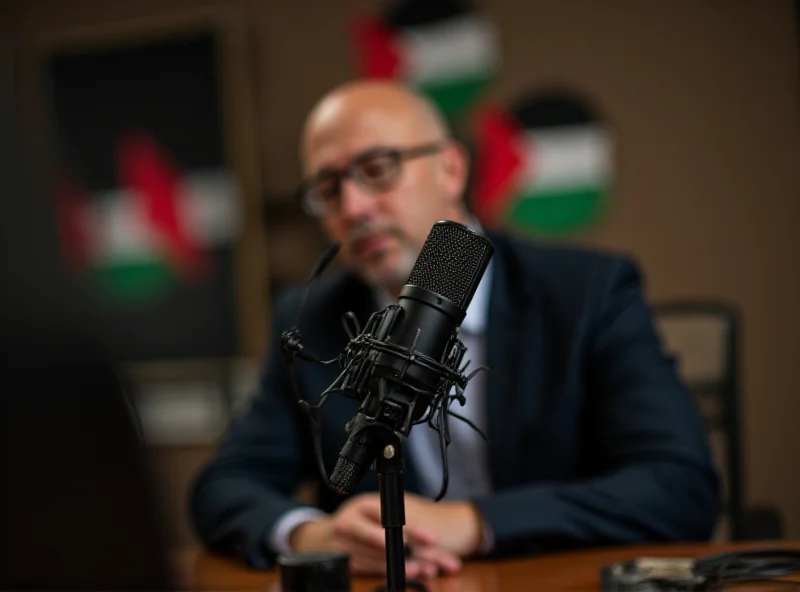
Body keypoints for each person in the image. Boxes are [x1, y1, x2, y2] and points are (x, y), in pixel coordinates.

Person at [190, 80, 720, 579]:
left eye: (377, 169)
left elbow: (679, 486)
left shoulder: (587, 292)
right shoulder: (310, 319)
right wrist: (312, 534)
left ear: (450, 168)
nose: (353, 208)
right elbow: (224, 486)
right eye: (328, 189)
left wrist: (475, 522)